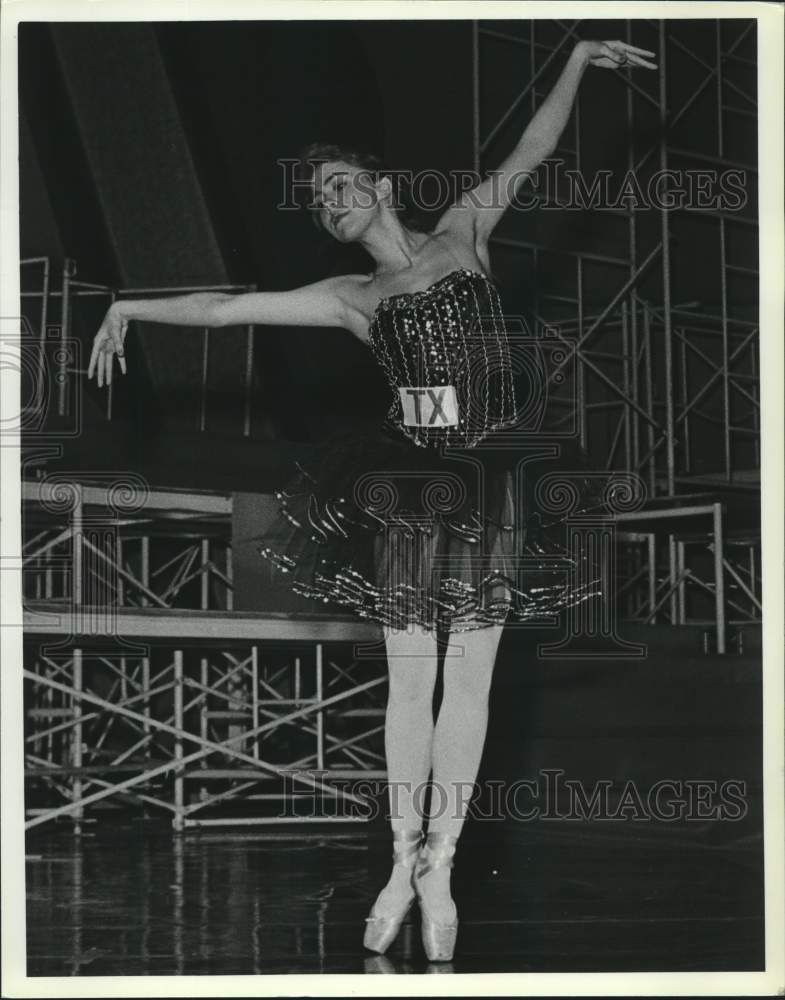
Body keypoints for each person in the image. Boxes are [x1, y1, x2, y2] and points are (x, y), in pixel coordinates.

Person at [88, 37, 656, 963]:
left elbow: (532, 150)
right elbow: (232, 308)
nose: (331, 203)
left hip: (491, 476)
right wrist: (128, 307)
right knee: (410, 676)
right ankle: (398, 860)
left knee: (468, 680)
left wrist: (580, 58)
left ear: (381, 185)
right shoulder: (350, 295)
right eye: (319, 200)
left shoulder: (462, 232)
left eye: (343, 186)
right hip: (409, 477)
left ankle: (442, 865)